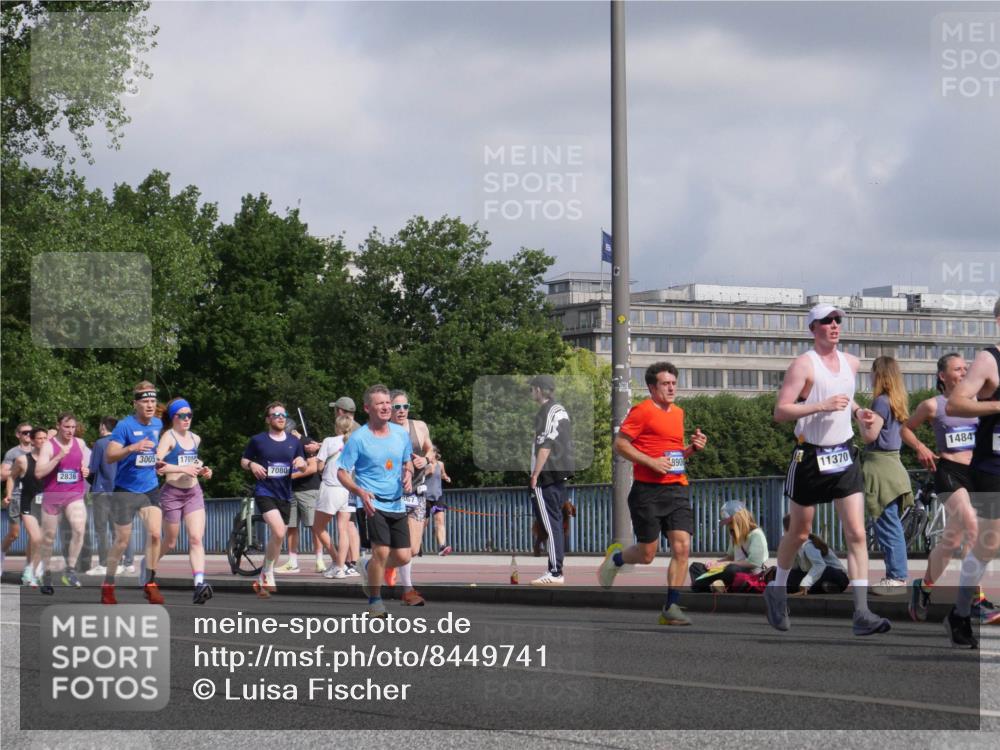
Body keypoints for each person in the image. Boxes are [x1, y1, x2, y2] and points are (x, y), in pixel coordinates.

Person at [765, 304, 891, 636]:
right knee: (800, 532)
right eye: (827, 321)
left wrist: (859, 412)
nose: (835, 325)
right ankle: (777, 590)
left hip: (843, 454)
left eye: (838, 320)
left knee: (857, 533)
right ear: (813, 328)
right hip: (809, 456)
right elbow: (781, 411)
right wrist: (820, 405)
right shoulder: (803, 365)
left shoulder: (852, 362)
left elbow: (845, 397)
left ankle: (862, 612)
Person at [597, 362, 708, 625]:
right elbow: (620, 444)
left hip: (677, 488)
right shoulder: (643, 411)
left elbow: (672, 455)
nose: (671, 388)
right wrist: (651, 462)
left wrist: (692, 449)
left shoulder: (678, 413)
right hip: (647, 491)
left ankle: (671, 607)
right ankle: (616, 558)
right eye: (665, 384)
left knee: (682, 546)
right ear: (652, 387)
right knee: (647, 555)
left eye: (674, 383)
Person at [902, 354, 998, 623]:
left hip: (977, 472)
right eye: (957, 369)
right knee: (972, 527)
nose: (964, 372)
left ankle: (924, 587)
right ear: (942, 376)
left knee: (952, 541)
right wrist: (920, 447)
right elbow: (906, 429)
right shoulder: (933, 405)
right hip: (949, 471)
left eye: (966, 368)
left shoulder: (978, 402)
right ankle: (975, 598)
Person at [943, 298, 1000, 648]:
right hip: (993, 465)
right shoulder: (989, 359)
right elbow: (956, 403)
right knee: (989, 543)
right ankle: (960, 613)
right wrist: (997, 404)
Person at [337, 384, 415, 617]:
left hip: (396, 502)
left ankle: (368, 566)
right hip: (370, 503)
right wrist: (359, 491)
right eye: (380, 403)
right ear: (367, 408)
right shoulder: (358, 439)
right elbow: (341, 472)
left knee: (404, 556)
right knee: (381, 551)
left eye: (388, 403)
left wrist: (408, 473)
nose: (386, 407)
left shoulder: (400, 434)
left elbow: (407, 461)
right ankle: (375, 602)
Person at [102, 381, 166, 605]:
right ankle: (108, 584)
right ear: (135, 403)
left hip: (150, 488)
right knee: (122, 541)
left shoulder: (158, 424)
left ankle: (150, 583)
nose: (150, 405)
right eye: (145, 401)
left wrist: (159, 462)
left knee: (156, 534)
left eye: (153, 401)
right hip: (125, 490)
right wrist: (132, 447)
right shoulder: (124, 426)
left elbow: (157, 453)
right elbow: (110, 456)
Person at [241, 401, 307, 598]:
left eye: (283, 414)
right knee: (278, 531)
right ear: (268, 419)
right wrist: (252, 465)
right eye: (275, 415)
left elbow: (304, 464)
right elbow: (244, 460)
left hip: (285, 494)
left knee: (279, 537)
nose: (280, 417)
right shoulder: (258, 440)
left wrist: (301, 463)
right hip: (265, 492)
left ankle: (263, 574)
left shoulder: (294, 442)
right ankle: (268, 573)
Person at [862, 356, 914, 596]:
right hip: (894, 465)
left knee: (887, 525)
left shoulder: (880, 402)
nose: (870, 376)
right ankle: (896, 575)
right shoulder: (896, 401)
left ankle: (896, 576)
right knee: (892, 524)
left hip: (880, 468)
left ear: (879, 374)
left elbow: (870, 436)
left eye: (872, 372)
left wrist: (859, 417)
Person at [154, 398, 214, 604]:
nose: (187, 419)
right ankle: (149, 565)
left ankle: (199, 584)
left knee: (196, 538)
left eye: (189, 415)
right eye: (182, 415)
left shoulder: (196, 438)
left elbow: (193, 463)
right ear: (174, 418)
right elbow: (157, 464)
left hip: (193, 492)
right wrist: (183, 469)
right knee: (170, 542)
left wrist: (203, 470)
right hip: (172, 493)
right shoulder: (168, 437)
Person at [34, 413, 90, 593]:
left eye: (73, 427)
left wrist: (85, 470)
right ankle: (46, 574)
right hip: (52, 496)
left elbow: (83, 464)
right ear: (58, 426)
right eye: (67, 427)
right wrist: (58, 457)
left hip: (74, 493)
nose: (70, 431)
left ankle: (70, 571)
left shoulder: (80, 443)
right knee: (49, 537)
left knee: (79, 528)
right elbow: (39, 473)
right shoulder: (48, 446)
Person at [528, 375, 575, 586]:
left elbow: (545, 445)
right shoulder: (560, 410)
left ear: (539, 389)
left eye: (532, 389)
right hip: (559, 474)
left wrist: (535, 474)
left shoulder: (546, 412)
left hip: (546, 475)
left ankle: (555, 571)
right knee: (554, 522)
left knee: (549, 524)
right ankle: (555, 569)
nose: (531, 393)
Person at [389, 390, 431, 605]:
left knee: (413, 549)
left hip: (417, 493)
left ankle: (371, 565)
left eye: (405, 406)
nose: (402, 411)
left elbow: (430, 449)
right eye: (397, 407)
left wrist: (426, 460)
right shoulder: (383, 431)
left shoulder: (419, 426)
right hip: (392, 494)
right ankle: (408, 590)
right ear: (389, 409)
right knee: (403, 546)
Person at [85, 417, 130, 576]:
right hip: (120, 490)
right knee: (118, 529)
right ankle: (123, 562)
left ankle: (104, 563)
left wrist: (89, 479)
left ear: (103, 426)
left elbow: (93, 469)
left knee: (101, 528)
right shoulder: (124, 443)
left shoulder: (100, 443)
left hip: (102, 491)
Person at [690, 501, 768, 592]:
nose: (728, 526)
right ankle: (715, 586)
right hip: (731, 569)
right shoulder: (734, 534)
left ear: (739, 519)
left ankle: (710, 586)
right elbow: (730, 556)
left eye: (730, 523)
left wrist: (727, 564)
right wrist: (716, 562)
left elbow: (754, 563)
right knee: (695, 567)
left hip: (749, 573)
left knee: (731, 569)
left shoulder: (756, 534)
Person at [316, 415, 358, 578]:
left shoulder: (328, 441)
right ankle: (340, 567)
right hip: (348, 489)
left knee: (318, 527)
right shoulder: (355, 444)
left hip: (331, 487)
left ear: (337, 427)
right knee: (344, 529)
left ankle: (335, 559)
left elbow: (319, 467)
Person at [7, 428, 49, 586]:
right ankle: (31, 570)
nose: (43, 441)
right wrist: (9, 494)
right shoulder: (22, 460)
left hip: (47, 505)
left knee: (39, 540)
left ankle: (31, 567)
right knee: (36, 538)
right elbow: (11, 477)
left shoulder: (52, 460)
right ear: (32, 441)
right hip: (28, 504)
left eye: (45, 438)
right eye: (39, 438)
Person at [278, 437, 322, 573]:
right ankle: (292, 562)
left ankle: (320, 561)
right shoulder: (283, 444)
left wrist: (290, 476)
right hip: (290, 491)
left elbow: (313, 468)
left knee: (315, 526)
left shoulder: (306, 443)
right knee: (291, 526)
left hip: (308, 490)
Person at [780, 514, 849, 595]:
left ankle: (826, 586)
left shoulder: (808, 545)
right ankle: (825, 587)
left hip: (838, 576)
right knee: (790, 578)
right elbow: (795, 568)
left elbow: (819, 565)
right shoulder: (795, 545)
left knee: (824, 571)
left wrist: (805, 584)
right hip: (821, 576)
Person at [2, 422, 33, 578]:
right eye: (25, 432)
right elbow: (2, 474)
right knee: (14, 534)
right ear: (18, 435)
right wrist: (19, 469)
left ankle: (29, 568)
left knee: (33, 534)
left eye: (30, 432)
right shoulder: (12, 453)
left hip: (33, 497)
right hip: (16, 496)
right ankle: (1, 555)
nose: (28, 435)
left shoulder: (39, 450)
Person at [425, 449, 452, 555]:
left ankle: (442, 547)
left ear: (435, 454)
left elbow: (442, 474)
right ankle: (417, 545)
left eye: (432, 453)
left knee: (440, 520)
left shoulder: (440, 464)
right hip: (424, 497)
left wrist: (446, 477)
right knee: (424, 523)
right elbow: (416, 478)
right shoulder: (423, 464)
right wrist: (427, 471)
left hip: (437, 496)